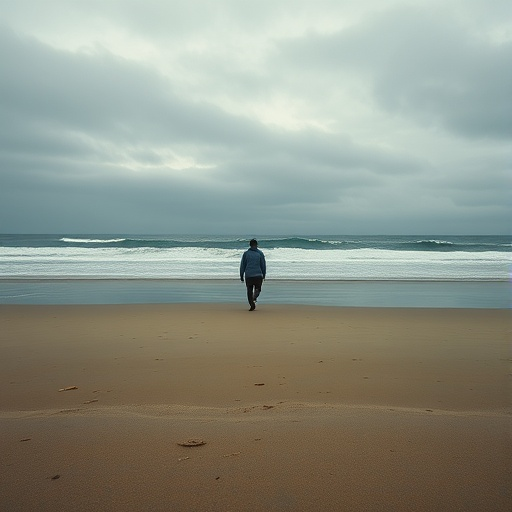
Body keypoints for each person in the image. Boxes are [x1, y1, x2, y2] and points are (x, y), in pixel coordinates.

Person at [240, 239, 266, 311]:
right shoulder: (260, 253)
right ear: (257, 245)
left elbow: (242, 265)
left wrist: (241, 275)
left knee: (249, 290)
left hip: (248, 275)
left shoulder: (246, 254)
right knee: (258, 289)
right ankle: (254, 297)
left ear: (250, 245)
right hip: (258, 275)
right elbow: (263, 265)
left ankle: (252, 304)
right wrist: (264, 274)